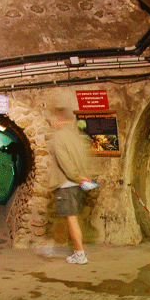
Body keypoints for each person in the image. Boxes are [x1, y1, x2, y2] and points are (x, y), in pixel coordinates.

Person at [47, 107, 95, 264]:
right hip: (78, 183)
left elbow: (64, 161)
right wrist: (84, 177)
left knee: (71, 218)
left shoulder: (59, 137)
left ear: (61, 119)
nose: (50, 121)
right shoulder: (76, 136)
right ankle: (75, 250)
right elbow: (84, 158)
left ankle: (80, 254)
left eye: (53, 118)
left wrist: (76, 176)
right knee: (73, 217)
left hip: (67, 182)